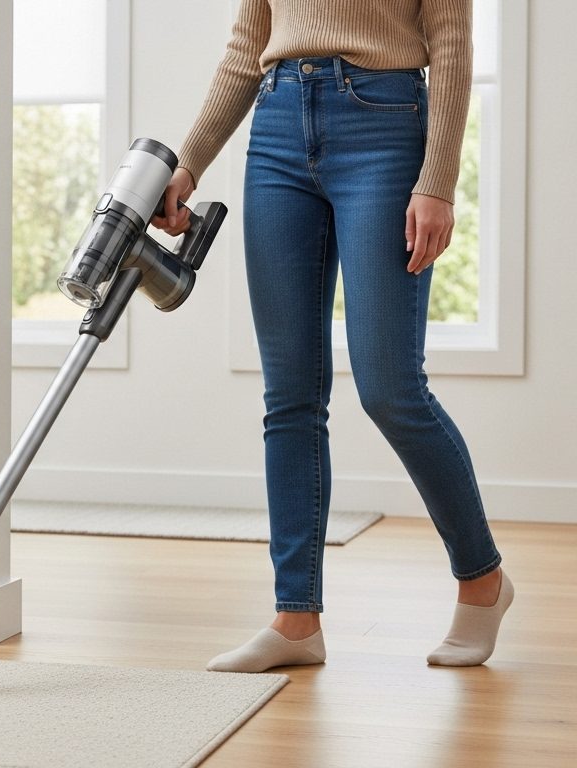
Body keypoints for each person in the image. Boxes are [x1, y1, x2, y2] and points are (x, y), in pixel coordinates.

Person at [152, 0, 513, 672]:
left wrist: (438, 181)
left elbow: (452, 44)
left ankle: (482, 579)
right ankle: (296, 620)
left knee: (391, 387)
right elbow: (246, 45)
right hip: (278, 125)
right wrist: (191, 162)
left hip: (384, 124)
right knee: (289, 395)